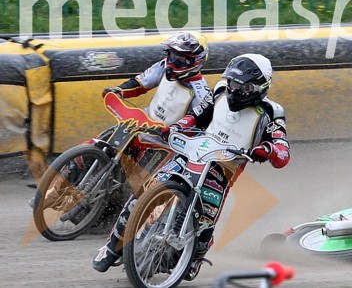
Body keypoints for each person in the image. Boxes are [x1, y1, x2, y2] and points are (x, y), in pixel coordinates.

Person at [92, 53, 290, 280]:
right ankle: (110, 247)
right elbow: (196, 116)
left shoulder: (272, 112)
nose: (235, 91)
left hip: (222, 170)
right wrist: (177, 127)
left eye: (243, 88)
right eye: (233, 84)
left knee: (205, 226)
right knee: (142, 195)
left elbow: (282, 151)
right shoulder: (220, 91)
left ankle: (193, 257)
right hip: (191, 153)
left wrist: (266, 150)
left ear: (260, 87)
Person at [41, 32, 211, 222]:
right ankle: (55, 190)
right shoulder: (163, 67)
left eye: (179, 59)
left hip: (164, 142)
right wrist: (118, 90)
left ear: (195, 61)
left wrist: (175, 129)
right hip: (140, 124)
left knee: (143, 185)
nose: (172, 61)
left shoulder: (202, 93)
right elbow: (139, 83)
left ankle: (120, 214)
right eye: (170, 55)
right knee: (96, 145)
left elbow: (195, 120)